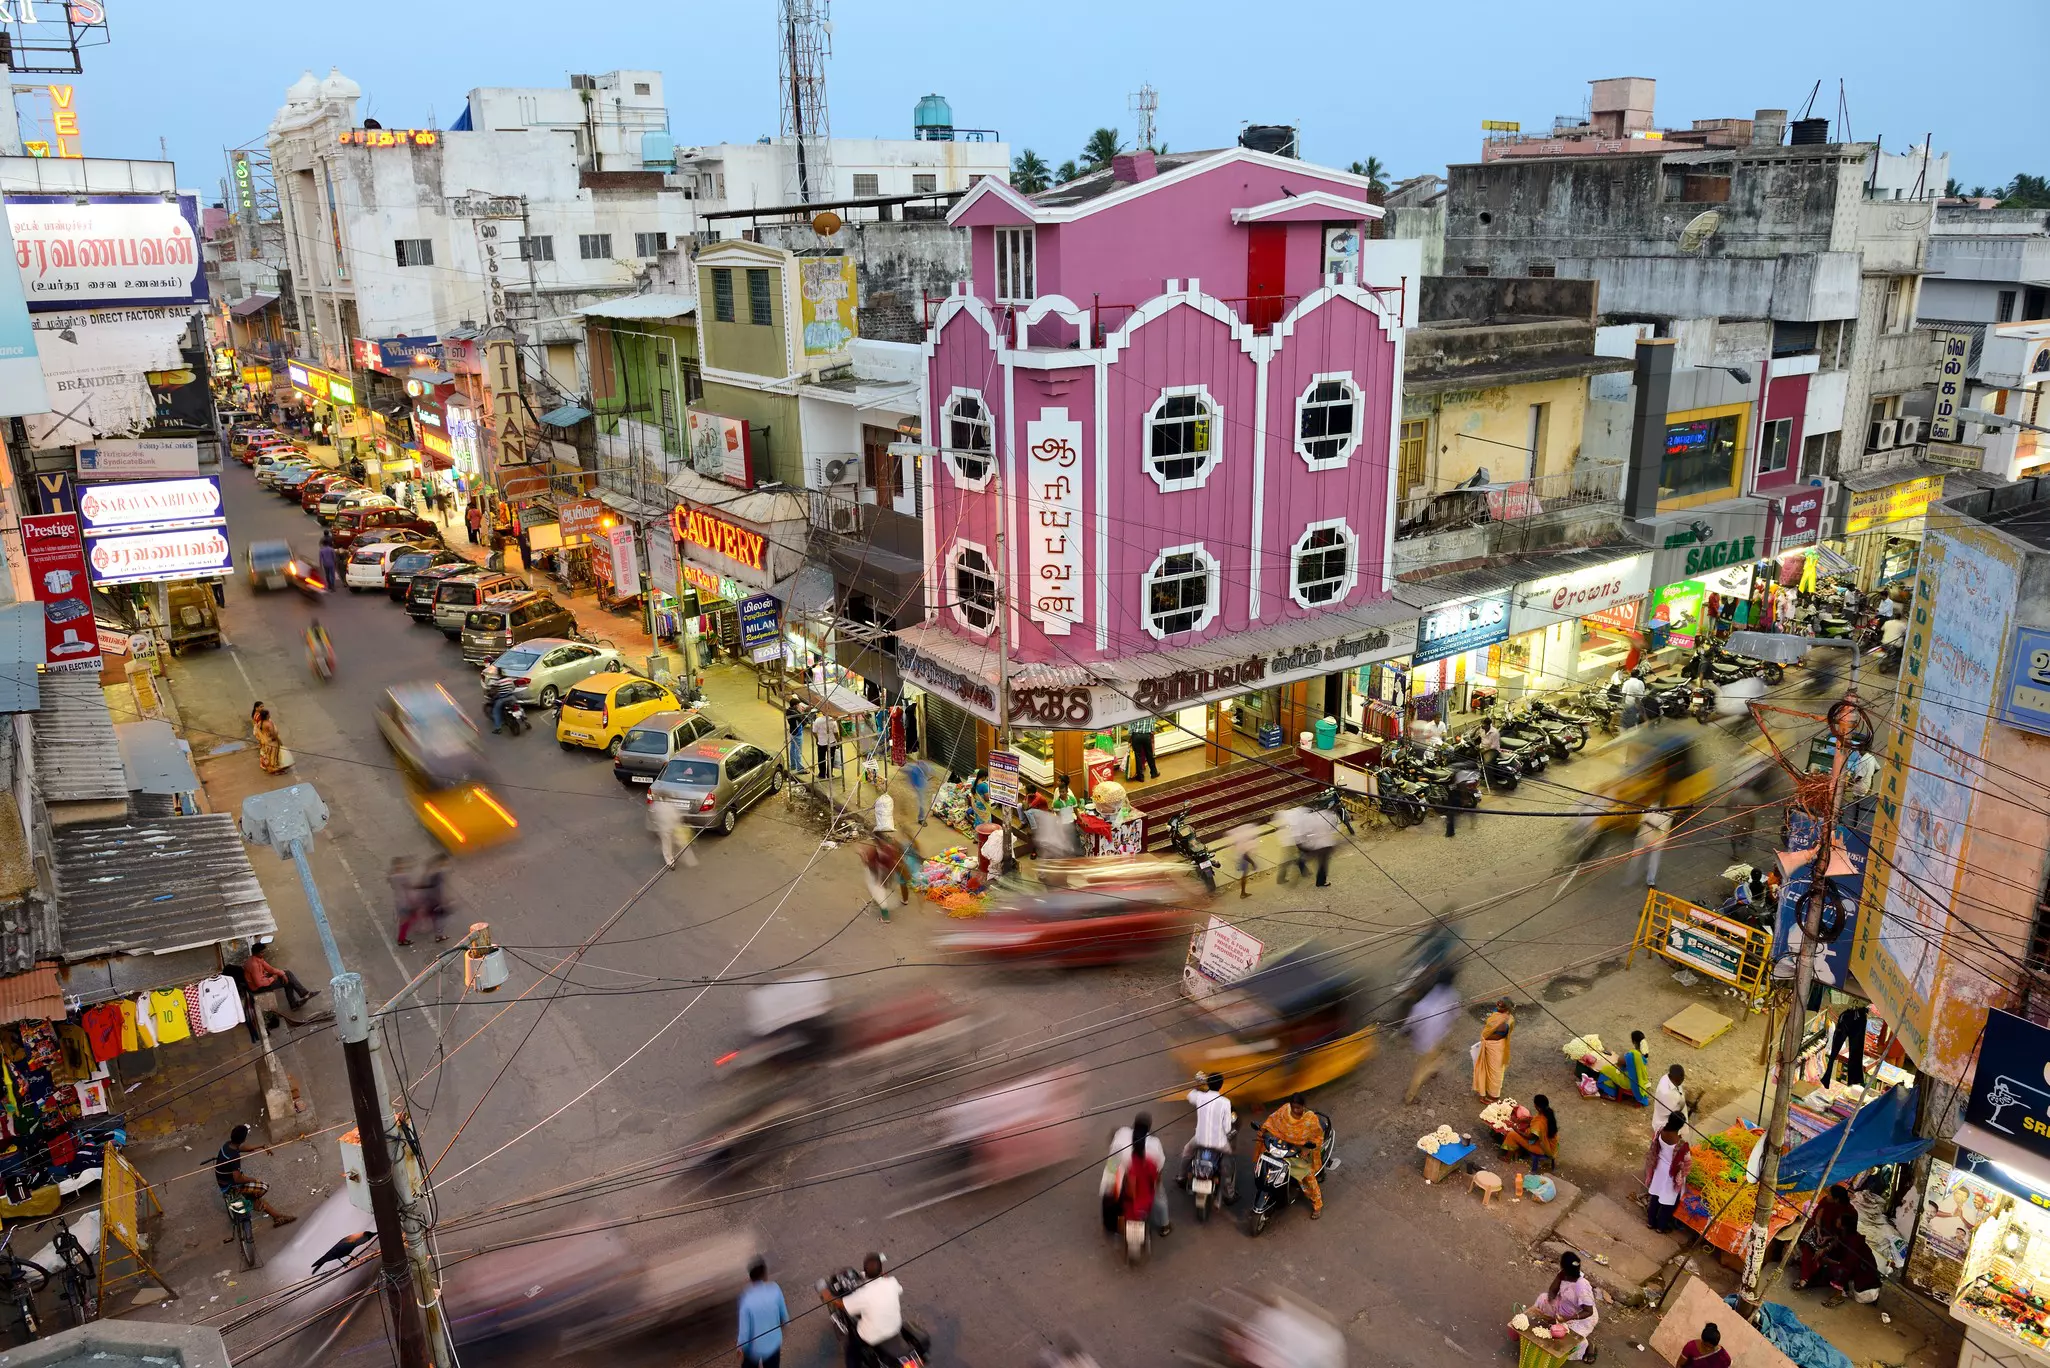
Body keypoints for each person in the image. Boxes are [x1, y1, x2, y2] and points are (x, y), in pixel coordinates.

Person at [214, 1124, 297, 1229]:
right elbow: (238, 1178)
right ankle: (255, 1203)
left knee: (254, 1190)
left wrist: (261, 1146)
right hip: (231, 1186)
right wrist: (252, 1179)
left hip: (222, 1181)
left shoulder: (227, 1145)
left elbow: (242, 1148)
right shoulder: (234, 1157)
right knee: (263, 1187)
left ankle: (276, 1216)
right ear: (243, 1139)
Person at [1101, 1113, 1170, 1234]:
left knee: (1109, 1188)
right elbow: (1159, 1168)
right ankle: (1164, 1224)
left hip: (1120, 1172)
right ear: (1149, 1128)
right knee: (1159, 1196)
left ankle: (1112, 1225)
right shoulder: (1154, 1143)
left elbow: (1113, 1162)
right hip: (1144, 1179)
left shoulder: (1122, 1133)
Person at [1260, 1096, 1325, 1218]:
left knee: (1308, 1176)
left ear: (1303, 1106)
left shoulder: (1310, 1119)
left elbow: (1318, 1137)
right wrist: (1264, 1130)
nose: (1295, 1110)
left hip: (1299, 1153)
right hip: (1281, 1148)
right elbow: (1272, 1120)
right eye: (1293, 1107)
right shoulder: (1284, 1110)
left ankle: (1317, 1205)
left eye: (1298, 1108)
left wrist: (1306, 1148)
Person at [836, 1253, 904, 1368]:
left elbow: (843, 1304)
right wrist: (884, 1277)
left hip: (871, 1336)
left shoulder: (862, 1295)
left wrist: (826, 1295)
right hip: (896, 1328)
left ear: (865, 1272)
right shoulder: (892, 1282)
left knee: (851, 1350)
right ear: (881, 1270)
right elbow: (899, 1290)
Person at [1529, 1251, 1598, 1361]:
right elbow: (1552, 1291)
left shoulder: (1582, 1286)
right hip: (1564, 1308)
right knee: (1543, 1298)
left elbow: (1588, 1311)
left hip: (1581, 1318)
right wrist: (1547, 1311)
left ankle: (1588, 1346)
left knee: (1566, 1344)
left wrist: (1568, 1319)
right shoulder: (1564, 1274)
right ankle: (1550, 1323)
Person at [1404, 972, 1461, 1104]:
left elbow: (1411, 1021)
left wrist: (1406, 1031)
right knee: (1422, 1070)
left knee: (1435, 1054)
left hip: (1422, 1039)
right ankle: (1410, 1096)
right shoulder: (1453, 995)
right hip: (1435, 1037)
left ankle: (1435, 1069)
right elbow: (1455, 1014)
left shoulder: (1426, 999)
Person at [1179, 1072, 1234, 1184]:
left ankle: (1181, 1177)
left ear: (1207, 1084)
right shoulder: (1225, 1102)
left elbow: (1190, 1095)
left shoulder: (1200, 1097)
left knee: (1187, 1152)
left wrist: (1198, 1084)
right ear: (1221, 1085)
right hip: (1219, 1144)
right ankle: (1229, 1193)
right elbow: (1227, 1128)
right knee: (1228, 1158)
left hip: (1199, 1140)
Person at [737, 1256, 788, 1368]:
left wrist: (740, 1346)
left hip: (753, 1350)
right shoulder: (775, 1289)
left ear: (750, 1277)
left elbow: (744, 1330)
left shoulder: (746, 1298)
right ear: (765, 1275)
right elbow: (784, 1317)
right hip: (773, 1346)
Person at [1499, 1094, 1559, 1187]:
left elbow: (1530, 1138)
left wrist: (1515, 1128)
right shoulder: (1547, 1113)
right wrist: (1522, 1120)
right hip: (1551, 1145)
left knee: (1512, 1135)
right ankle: (1516, 1152)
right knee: (1523, 1127)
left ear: (1537, 1107)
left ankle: (1507, 1158)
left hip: (1543, 1149)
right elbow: (1534, 1120)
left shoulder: (1539, 1123)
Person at [1645, 1111, 1691, 1232]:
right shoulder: (1682, 1145)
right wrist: (1683, 1174)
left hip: (1659, 1168)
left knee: (1655, 1196)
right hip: (1671, 1174)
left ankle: (1650, 1222)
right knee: (1668, 1202)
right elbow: (1687, 1163)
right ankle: (1661, 1227)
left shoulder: (1660, 1131)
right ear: (1680, 1127)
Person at [1473, 997, 1515, 1100]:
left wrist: (1484, 1038)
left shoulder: (1505, 1023)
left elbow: (1498, 1036)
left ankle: (1493, 1094)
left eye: (1501, 1005)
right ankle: (1484, 1089)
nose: (1498, 1006)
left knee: (1495, 1071)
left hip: (1496, 1047)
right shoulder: (1497, 1012)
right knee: (1484, 1067)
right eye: (1498, 1004)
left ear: (1507, 1008)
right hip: (1488, 1044)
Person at [1294, 803, 1339, 887]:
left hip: (1315, 843)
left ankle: (1301, 861)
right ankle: (1320, 882)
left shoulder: (1308, 817)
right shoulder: (1327, 815)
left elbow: (1305, 831)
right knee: (1323, 863)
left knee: (1315, 858)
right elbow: (1333, 828)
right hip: (1325, 844)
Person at [1824, 1003, 1869, 1087]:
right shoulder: (1856, 1016)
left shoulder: (1852, 1016)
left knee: (1853, 1052)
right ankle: (1853, 1081)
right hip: (1855, 1018)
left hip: (1855, 1018)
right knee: (1855, 1052)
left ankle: (1853, 1081)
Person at [650, 795, 696, 869]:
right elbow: (676, 817)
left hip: (664, 829)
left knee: (666, 846)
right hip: (674, 828)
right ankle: (689, 859)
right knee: (680, 842)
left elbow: (653, 815)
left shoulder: (657, 805)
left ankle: (670, 863)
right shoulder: (670, 805)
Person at [1651, 1064, 1689, 1143]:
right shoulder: (1666, 1093)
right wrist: (1681, 1110)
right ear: (1672, 1077)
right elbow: (1671, 1114)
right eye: (1679, 1080)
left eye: (1682, 1079)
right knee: (1670, 1143)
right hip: (1667, 1123)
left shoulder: (1668, 1078)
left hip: (1676, 1115)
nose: (1681, 1082)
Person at [1227, 821, 1262, 899]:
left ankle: (1243, 892)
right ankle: (1243, 893)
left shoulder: (1240, 834)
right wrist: (1253, 863)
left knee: (1244, 875)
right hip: (1244, 858)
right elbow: (1245, 854)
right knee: (1244, 876)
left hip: (1242, 856)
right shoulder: (1245, 835)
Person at [253, 706, 289, 774]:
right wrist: (279, 741)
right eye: (269, 714)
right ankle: (274, 770)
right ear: (266, 716)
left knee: (269, 756)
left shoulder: (260, 723)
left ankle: (272, 768)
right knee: (273, 757)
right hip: (272, 743)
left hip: (266, 742)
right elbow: (273, 734)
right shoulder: (269, 724)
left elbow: (258, 732)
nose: (270, 715)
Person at [1128, 715, 1161, 781]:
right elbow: (1152, 725)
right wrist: (1151, 734)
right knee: (1149, 755)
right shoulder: (1149, 713)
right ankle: (1154, 773)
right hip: (1146, 735)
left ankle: (1140, 776)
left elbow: (1131, 725)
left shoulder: (1135, 713)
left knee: (1138, 756)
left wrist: (1130, 736)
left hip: (1136, 735)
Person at [812, 709, 841, 779]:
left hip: (821, 742)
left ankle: (822, 774)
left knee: (821, 758)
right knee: (831, 758)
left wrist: (817, 738)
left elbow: (814, 732)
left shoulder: (817, 720)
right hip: (831, 742)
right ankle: (829, 774)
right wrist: (838, 741)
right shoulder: (833, 721)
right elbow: (836, 733)